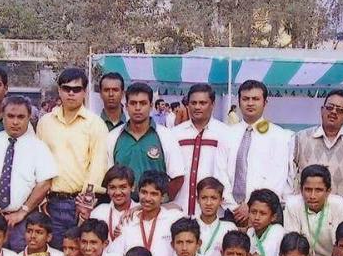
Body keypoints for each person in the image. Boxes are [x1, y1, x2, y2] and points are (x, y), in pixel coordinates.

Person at [38, 67, 109, 244]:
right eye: (66, 88)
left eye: (76, 89)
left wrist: (86, 203)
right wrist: (41, 200)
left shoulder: (95, 124)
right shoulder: (45, 122)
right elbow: (37, 163)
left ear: (84, 92)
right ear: (59, 91)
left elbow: (98, 165)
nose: (71, 93)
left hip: (81, 204)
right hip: (50, 204)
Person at [0, 95, 58, 253]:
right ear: (3, 116)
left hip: (24, 221)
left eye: (21, 117)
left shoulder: (39, 147)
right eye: (10, 116)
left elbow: (44, 183)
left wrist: (22, 211)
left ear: (29, 117)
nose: (15, 122)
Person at [290, 89, 343, 217]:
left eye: (339, 110)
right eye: (330, 107)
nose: (333, 112)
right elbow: (290, 178)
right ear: (322, 110)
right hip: (306, 216)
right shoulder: (300, 139)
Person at [227, 80, 293, 226]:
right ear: (239, 102)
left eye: (255, 99)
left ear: (265, 103)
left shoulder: (279, 136)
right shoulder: (227, 134)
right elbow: (220, 172)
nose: (250, 103)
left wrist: (251, 206)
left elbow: (277, 177)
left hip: (262, 213)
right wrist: (233, 206)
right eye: (245, 99)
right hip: (230, 211)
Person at [107, 82, 185, 200]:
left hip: (156, 212)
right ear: (126, 106)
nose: (138, 108)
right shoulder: (113, 137)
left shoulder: (166, 136)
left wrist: (160, 202)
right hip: (122, 211)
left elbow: (178, 177)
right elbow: (108, 178)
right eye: (133, 103)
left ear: (151, 105)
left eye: (143, 103)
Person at [171, 83, 235, 215]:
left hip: (214, 213)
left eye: (202, 103)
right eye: (193, 103)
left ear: (212, 104)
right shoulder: (175, 134)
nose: (197, 107)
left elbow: (230, 171)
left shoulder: (225, 133)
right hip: (179, 209)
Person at [113, 171, 184, 256]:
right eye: (144, 192)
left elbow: (179, 208)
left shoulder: (174, 219)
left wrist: (137, 207)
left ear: (162, 197)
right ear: (138, 192)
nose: (147, 198)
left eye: (153, 194)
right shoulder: (127, 221)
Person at [283, 164, 343, 256]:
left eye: (318, 190)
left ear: (328, 191)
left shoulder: (337, 205)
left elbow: (340, 245)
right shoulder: (292, 205)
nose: (312, 196)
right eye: (308, 190)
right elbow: (292, 244)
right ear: (301, 190)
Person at [90, 165, 136, 246]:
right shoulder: (99, 212)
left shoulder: (141, 212)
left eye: (123, 187)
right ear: (107, 189)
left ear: (132, 187)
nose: (118, 192)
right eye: (112, 187)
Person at [195, 177, 237, 256]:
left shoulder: (229, 228)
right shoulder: (189, 226)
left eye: (214, 198)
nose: (208, 203)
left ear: (221, 200)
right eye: (204, 198)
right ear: (197, 199)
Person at [246, 189, 285, 256]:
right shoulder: (250, 231)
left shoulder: (277, 231)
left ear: (273, 217)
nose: (257, 217)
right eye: (253, 212)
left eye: (262, 213)